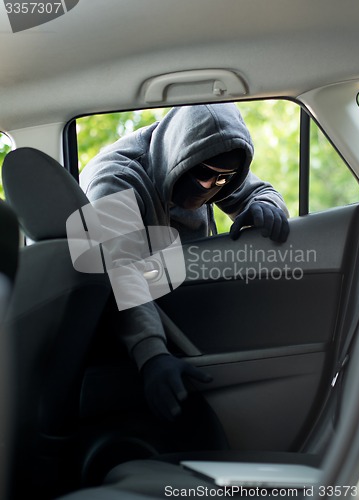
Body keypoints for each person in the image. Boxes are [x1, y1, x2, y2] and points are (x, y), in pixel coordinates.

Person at [80, 103, 289, 421]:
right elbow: (120, 270)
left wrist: (266, 205)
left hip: (175, 293)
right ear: (179, 156)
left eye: (222, 180)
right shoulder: (115, 180)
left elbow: (258, 191)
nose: (209, 188)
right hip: (121, 323)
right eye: (203, 175)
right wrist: (152, 354)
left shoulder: (213, 165)